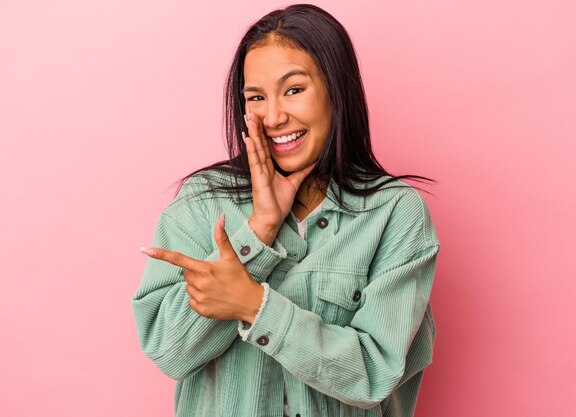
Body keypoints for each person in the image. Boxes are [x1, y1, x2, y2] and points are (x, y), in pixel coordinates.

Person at [132, 4, 440, 417]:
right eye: (256, 97)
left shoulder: (394, 214)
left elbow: (374, 373)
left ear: (336, 89)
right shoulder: (203, 202)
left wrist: (254, 306)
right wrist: (258, 232)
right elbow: (169, 353)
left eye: (294, 89)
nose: (274, 117)